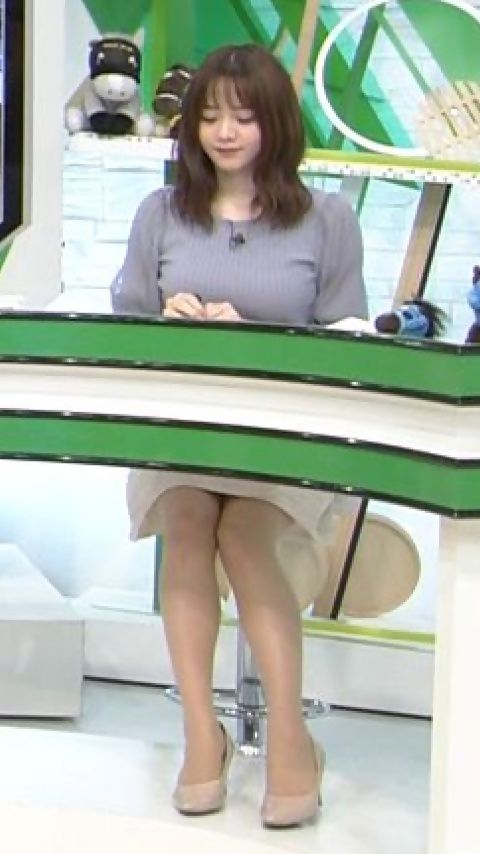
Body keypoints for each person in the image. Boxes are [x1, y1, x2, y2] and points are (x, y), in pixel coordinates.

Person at [111, 43, 368, 827]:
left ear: (275, 124)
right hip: (186, 431)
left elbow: (351, 337)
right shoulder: (162, 213)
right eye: (211, 116)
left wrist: (258, 335)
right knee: (189, 523)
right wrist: (166, 320)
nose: (225, 132)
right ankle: (202, 737)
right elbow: (122, 322)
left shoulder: (327, 218)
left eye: (244, 116)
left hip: (284, 435)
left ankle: (290, 741)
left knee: (246, 534)